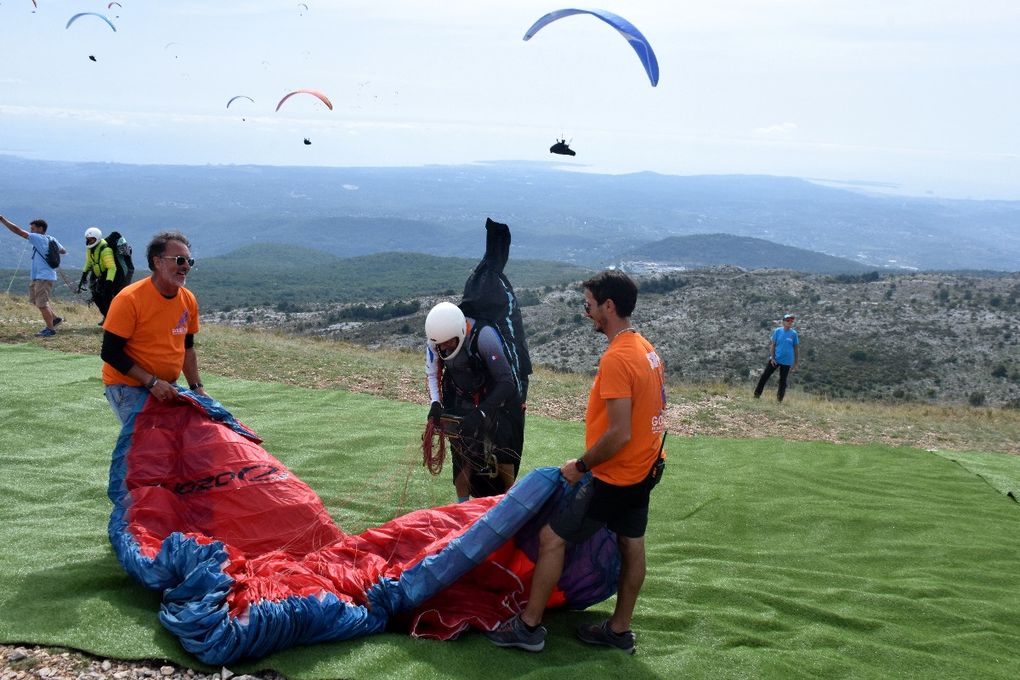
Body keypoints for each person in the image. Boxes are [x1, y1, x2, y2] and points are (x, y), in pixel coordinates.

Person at [486, 270, 667, 655]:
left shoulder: (619, 357)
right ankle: (619, 631)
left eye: (589, 305)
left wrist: (581, 467)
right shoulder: (646, 350)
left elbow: (619, 433)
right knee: (631, 544)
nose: (586, 312)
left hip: (614, 477)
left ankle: (529, 627)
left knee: (553, 539)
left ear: (609, 306)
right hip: (644, 472)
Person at [100, 230, 208, 425]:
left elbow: (187, 347)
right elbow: (110, 352)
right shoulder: (129, 299)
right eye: (179, 260)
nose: (186, 266)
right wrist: (152, 382)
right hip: (128, 386)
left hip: (167, 385)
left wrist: (197, 387)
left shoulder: (188, 299)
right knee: (149, 444)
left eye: (189, 262)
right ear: (157, 262)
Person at [425, 301, 525, 501]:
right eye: (440, 344)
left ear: (460, 331)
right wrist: (435, 404)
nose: (444, 347)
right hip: (463, 396)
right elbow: (432, 373)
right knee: (461, 453)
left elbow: (506, 382)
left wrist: (481, 413)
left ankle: (509, 503)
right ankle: (462, 507)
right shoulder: (436, 341)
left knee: (503, 450)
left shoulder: (484, 336)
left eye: (448, 342)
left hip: (497, 395)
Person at [0, 214, 67, 337]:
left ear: (40, 229)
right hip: (40, 276)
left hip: (43, 276)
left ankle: (50, 329)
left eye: (33, 229)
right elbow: (63, 251)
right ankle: (55, 319)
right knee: (36, 301)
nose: (31, 232)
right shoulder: (51, 239)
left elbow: (19, 231)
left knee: (42, 303)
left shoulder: (39, 238)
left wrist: (3, 220)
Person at [753, 313, 800, 402]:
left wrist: (796, 363)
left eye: (791, 321)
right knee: (764, 376)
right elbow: (773, 345)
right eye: (788, 320)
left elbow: (796, 349)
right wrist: (773, 358)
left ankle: (779, 401)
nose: (790, 322)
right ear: (783, 322)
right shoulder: (777, 331)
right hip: (775, 359)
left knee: (783, 382)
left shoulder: (794, 334)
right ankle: (756, 395)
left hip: (787, 362)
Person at [77, 227, 119, 324]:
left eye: (92, 239)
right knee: (96, 297)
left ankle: (112, 321)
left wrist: (109, 282)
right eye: (88, 239)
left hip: (106, 275)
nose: (90, 241)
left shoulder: (105, 249)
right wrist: (84, 274)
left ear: (97, 238)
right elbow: (89, 261)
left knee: (107, 299)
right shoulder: (90, 248)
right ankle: (107, 317)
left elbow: (112, 267)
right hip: (97, 274)